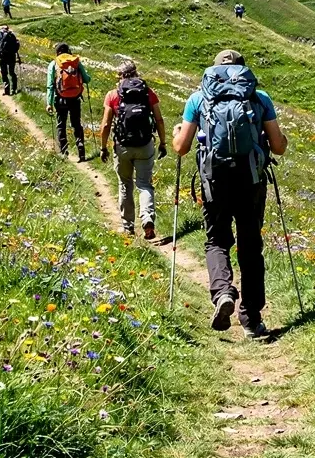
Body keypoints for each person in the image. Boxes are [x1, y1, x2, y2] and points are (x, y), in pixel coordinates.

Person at [172, 49, 287, 338]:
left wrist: (177, 133)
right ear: (243, 72)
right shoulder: (259, 99)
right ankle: (251, 319)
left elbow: (181, 147)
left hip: (215, 181)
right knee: (250, 245)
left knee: (217, 240)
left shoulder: (199, 98)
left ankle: (223, 292)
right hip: (251, 181)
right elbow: (279, 146)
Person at [99, 60, 168, 239]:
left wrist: (103, 147)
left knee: (125, 184)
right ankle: (147, 219)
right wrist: (163, 142)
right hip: (145, 145)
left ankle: (128, 227)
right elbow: (159, 120)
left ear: (120, 76)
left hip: (122, 146)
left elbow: (106, 124)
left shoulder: (113, 95)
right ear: (136, 73)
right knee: (144, 184)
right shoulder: (148, 93)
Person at [50, 42, 90, 160]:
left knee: (61, 124)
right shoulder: (76, 62)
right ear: (69, 51)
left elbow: (50, 86)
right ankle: (81, 149)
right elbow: (87, 79)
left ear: (57, 52)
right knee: (76, 124)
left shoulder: (54, 64)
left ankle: (64, 151)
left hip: (60, 99)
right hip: (75, 98)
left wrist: (49, 103)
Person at [0, 25, 21, 95]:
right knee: (12, 73)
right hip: (12, 56)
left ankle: (7, 90)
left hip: (2, 57)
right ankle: (14, 89)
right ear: (7, 29)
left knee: (4, 73)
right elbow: (16, 47)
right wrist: (18, 57)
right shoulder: (12, 35)